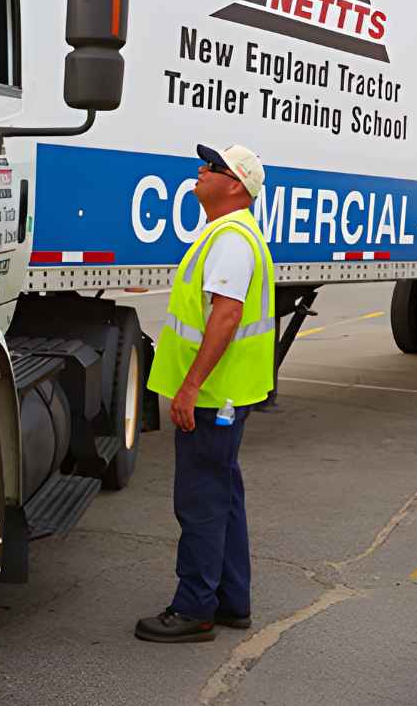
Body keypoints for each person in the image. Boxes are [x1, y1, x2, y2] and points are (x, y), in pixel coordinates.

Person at [135, 143, 276, 643]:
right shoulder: (228, 234)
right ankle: (232, 601)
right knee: (223, 494)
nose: (200, 171)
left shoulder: (232, 240)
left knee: (201, 500)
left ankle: (194, 607)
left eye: (212, 167)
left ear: (235, 185)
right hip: (227, 394)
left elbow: (226, 314)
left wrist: (189, 387)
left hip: (215, 396)